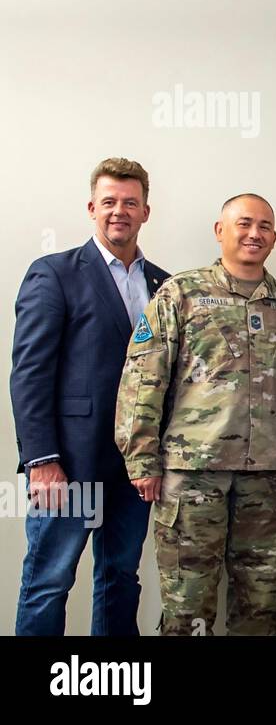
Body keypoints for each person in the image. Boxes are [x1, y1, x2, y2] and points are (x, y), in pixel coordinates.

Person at [116, 193, 276, 635]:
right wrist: (141, 458)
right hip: (193, 475)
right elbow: (143, 377)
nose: (254, 234)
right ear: (219, 231)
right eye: (244, 223)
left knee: (260, 608)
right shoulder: (181, 293)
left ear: (275, 237)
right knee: (188, 608)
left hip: (267, 477)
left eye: (265, 226)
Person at [12, 158, 169, 636]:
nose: (119, 210)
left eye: (130, 202)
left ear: (145, 211)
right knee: (50, 581)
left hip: (134, 466)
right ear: (92, 208)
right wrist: (42, 459)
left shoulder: (164, 285)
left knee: (120, 577)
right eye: (109, 202)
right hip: (70, 464)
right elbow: (30, 373)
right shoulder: (54, 273)